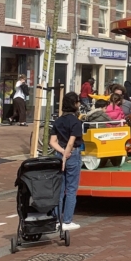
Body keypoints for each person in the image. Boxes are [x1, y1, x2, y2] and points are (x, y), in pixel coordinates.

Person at [49, 92, 83, 231]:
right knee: (71, 189)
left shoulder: (58, 121)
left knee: (59, 189)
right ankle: (67, 221)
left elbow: (52, 142)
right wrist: (66, 154)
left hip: (59, 154)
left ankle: (57, 220)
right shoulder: (75, 121)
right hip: (72, 155)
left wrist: (61, 153)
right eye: (78, 101)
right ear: (74, 104)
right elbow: (71, 142)